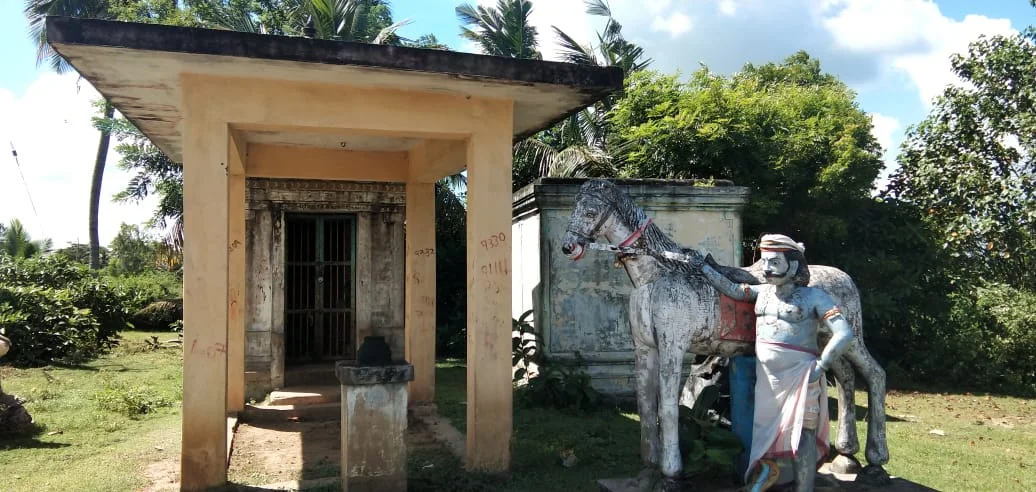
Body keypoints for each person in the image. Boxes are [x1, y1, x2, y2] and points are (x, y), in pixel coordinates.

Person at [698, 234, 853, 491]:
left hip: (802, 375)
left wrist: (822, 366)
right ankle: (772, 481)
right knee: (766, 434)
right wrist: (704, 269)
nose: (767, 268)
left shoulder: (815, 297)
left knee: (803, 433)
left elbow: (844, 333)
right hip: (767, 380)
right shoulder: (762, 292)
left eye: (774, 262)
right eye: (764, 261)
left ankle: (804, 488)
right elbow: (733, 290)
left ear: (793, 265)